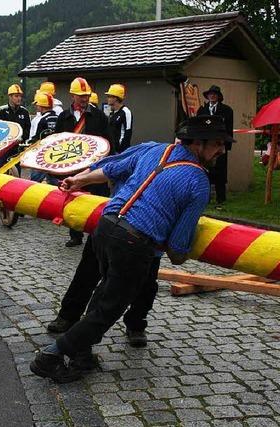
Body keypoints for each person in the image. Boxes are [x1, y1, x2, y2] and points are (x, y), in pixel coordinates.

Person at [30, 115, 233, 383]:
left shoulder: (156, 149)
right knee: (108, 310)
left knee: (104, 293)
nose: (222, 150)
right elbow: (177, 246)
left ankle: (81, 354)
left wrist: (79, 181)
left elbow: (111, 169)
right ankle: (50, 357)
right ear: (197, 143)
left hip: (105, 226)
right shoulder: (198, 183)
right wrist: (186, 251)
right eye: (218, 143)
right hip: (133, 244)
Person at [47, 142, 166, 349]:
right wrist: (77, 180)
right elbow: (107, 167)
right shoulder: (147, 149)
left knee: (146, 283)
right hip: (114, 220)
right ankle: (69, 315)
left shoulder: (195, 174)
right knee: (88, 271)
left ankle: (136, 324)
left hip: (149, 235)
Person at [56, 77, 110, 247]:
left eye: (86, 95)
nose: (84, 98)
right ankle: (75, 234)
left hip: (94, 165)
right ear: (72, 96)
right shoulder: (64, 117)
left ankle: (96, 233)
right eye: (81, 96)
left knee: (96, 198)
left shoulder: (99, 116)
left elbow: (109, 141)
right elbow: (57, 141)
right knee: (74, 198)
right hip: (72, 165)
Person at [198, 85, 233, 208]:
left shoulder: (227, 110)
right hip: (206, 147)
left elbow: (229, 129)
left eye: (215, 94)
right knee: (205, 172)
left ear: (218, 96)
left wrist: (226, 146)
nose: (212, 96)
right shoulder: (202, 110)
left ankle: (221, 199)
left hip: (219, 146)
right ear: (207, 96)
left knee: (220, 172)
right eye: (210, 94)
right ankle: (205, 198)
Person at [106, 84, 133, 153]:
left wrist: (121, 151)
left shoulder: (126, 112)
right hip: (111, 150)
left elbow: (128, 133)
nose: (107, 99)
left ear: (116, 98)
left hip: (120, 152)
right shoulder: (112, 113)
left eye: (109, 96)